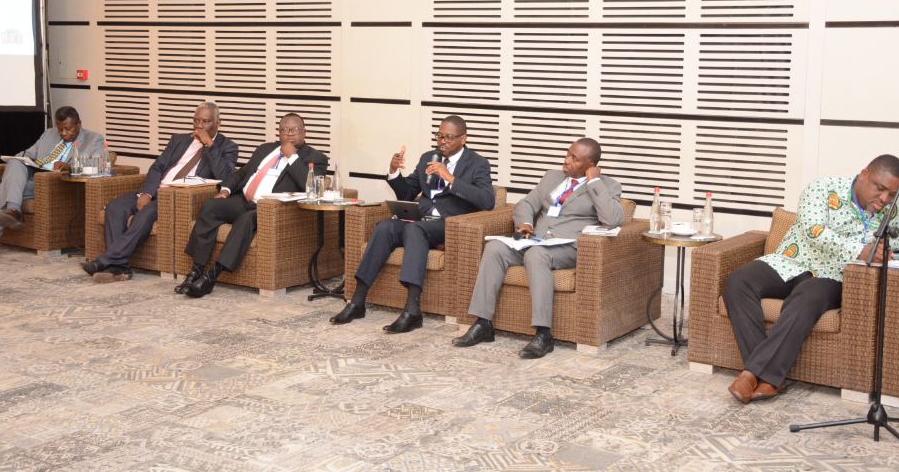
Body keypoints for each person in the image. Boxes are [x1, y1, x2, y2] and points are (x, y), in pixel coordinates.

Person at [723, 154, 899, 404]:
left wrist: (882, 247)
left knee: (806, 298)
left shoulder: (894, 209)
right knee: (739, 281)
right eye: (880, 189)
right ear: (864, 175)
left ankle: (752, 374)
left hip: (832, 274)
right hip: (792, 260)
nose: (884, 199)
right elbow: (814, 230)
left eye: (891, 194)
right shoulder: (822, 189)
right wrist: (860, 248)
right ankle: (769, 376)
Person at [454, 138, 624, 358]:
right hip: (536, 240)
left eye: (574, 158)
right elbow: (526, 203)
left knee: (536, 255)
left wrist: (594, 182)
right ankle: (483, 323)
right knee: (495, 248)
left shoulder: (607, 185)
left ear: (590, 166)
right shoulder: (552, 177)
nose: (566, 160)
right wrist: (525, 223)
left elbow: (613, 219)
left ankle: (544, 335)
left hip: (569, 246)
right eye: (568, 154)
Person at [330, 115, 495, 333]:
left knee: (414, 229)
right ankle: (357, 301)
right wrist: (394, 172)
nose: (442, 142)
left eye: (449, 137)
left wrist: (450, 178)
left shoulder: (477, 163)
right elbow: (407, 193)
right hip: (421, 220)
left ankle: (412, 310)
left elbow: (487, 201)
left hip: (449, 225)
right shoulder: (429, 157)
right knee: (385, 226)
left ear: (463, 139)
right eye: (439, 136)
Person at [80, 102, 239, 283]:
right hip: (157, 189)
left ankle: (104, 261)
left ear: (218, 123)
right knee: (115, 207)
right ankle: (119, 268)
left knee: (146, 213)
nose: (199, 126)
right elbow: (158, 167)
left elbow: (225, 177)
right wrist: (147, 193)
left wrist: (209, 144)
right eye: (196, 120)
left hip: (176, 197)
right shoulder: (179, 140)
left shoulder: (228, 147)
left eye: (206, 122)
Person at [177, 113, 327, 298]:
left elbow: (311, 188)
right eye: (284, 130)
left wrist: (293, 157)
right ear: (279, 133)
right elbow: (243, 173)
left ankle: (211, 278)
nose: (289, 133)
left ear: (304, 132)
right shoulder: (265, 149)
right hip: (244, 200)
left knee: (245, 220)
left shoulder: (316, 157)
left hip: (270, 208)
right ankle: (196, 270)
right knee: (210, 207)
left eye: (294, 129)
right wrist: (226, 190)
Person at [0, 106, 104, 261]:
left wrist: (69, 166)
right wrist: (22, 159)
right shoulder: (48, 134)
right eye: (60, 129)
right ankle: (13, 210)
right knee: (15, 162)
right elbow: (28, 154)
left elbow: (97, 164)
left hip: (54, 181)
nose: (63, 133)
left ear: (79, 124)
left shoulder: (94, 139)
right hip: (34, 175)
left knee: (7, 188)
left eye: (68, 129)